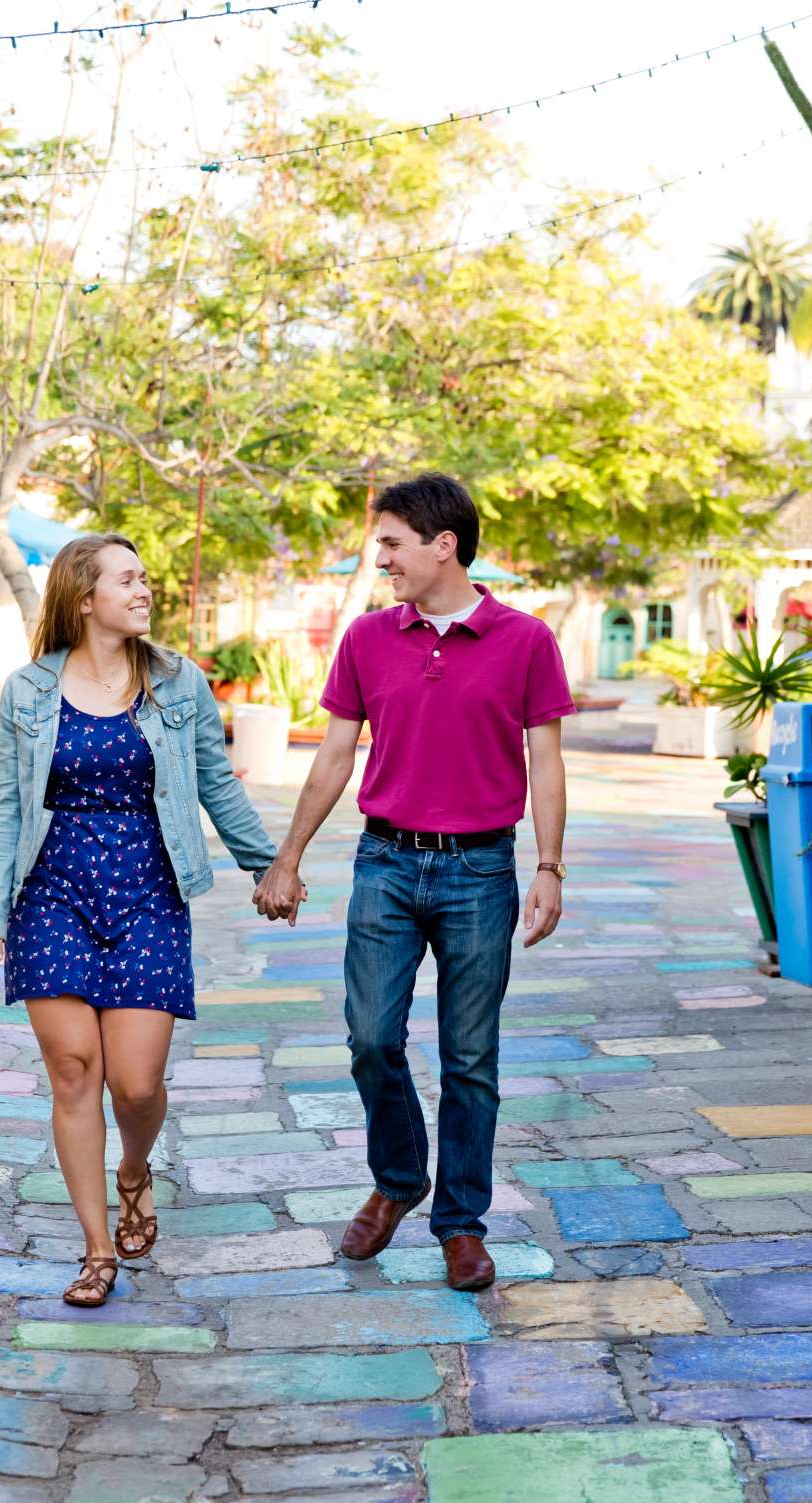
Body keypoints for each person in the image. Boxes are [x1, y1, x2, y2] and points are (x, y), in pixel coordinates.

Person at [255, 472, 572, 1290]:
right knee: (369, 1037)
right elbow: (333, 755)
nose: (382, 559)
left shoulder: (526, 640)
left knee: (470, 1057)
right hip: (386, 862)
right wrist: (288, 856)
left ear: (444, 545)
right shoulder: (366, 639)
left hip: (480, 870)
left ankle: (460, 1223)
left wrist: (547, 867)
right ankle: (399, 1180)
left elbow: (546, 761)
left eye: (392, 543)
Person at [0, 535, 277, 1308]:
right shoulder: (29, 691)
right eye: (129, 579)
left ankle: (135, 1169)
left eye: (146, 577)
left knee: (136, 1085)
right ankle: (96, 1248)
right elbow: (6, 805)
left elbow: (216, 782)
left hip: (147, 891)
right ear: (84, 598)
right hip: (53, 892)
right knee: (74, 1069)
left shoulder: (178, 683)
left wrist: (267, 863)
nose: (145, 590)